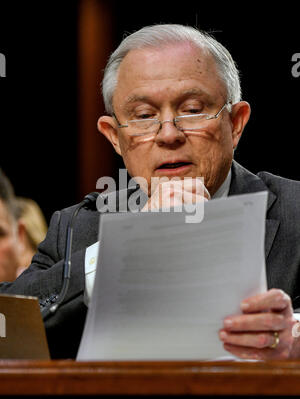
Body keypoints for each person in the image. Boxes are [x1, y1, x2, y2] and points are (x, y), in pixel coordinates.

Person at [1, 24, 300, 359]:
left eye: (192, 109)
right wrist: (127, 248)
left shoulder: (295, 212)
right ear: (114, 136)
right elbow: (7, 330)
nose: (168, 134)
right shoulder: (75, 228)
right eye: (144, 115)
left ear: (235, 123)